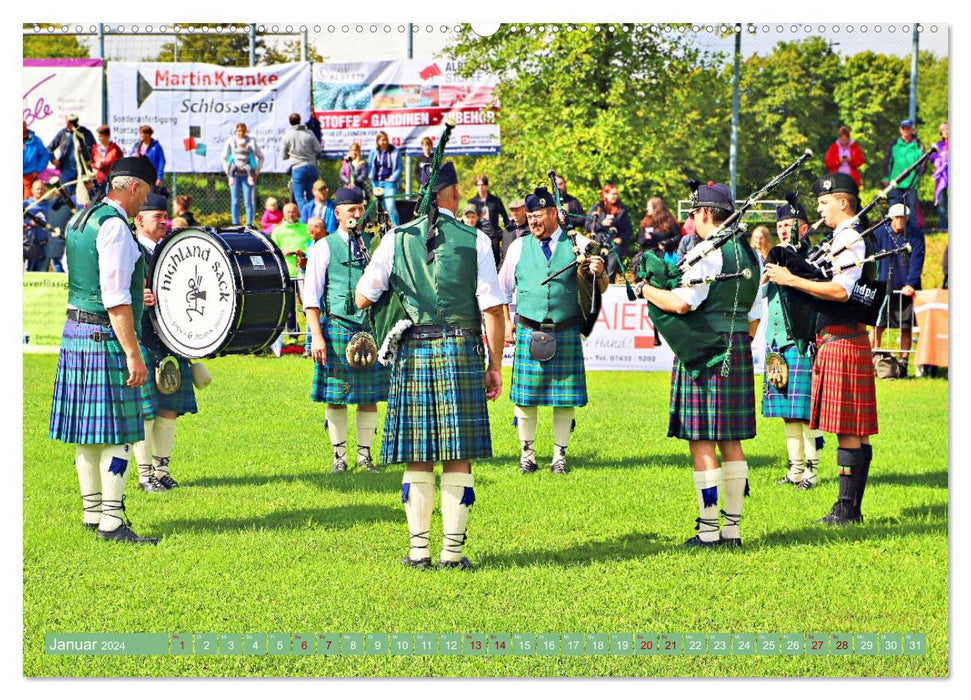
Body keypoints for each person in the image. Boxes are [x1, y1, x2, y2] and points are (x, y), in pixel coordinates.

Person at [355, 161, 505, 570]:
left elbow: (362, 298)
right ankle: (452, 554)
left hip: (414, 352)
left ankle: (419, 552)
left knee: (417, 454)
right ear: (452, 193)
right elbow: (492, 309)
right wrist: (494, 366)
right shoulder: (475, 239)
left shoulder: (394, 239)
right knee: (458, 453)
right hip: (459, 351)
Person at [639, 182, 764, 547]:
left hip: (705, 350)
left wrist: (644, 288)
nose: (691, 220)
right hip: (737, 344)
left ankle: (708, 530)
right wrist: (735, 340)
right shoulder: (749, 252)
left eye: (693, 213)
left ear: (706, 214)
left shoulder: (707, 250)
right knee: (731, 441)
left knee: (702, 441)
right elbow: (755, 315)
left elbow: (681, 303)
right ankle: (733, 530)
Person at [48, 156, 159, 544]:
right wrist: (132, 351)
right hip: (103, 336)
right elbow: (115, 298)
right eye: (145, 192)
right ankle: (111, 521)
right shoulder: (114, 227)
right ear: (133, 188)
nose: (146, 200)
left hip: (76, 332)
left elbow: (75, 274)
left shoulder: (82, 219)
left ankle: (91, 512)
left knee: (87, 433)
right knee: (118, 433)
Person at [764, 173, 878, 525]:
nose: (818, 207)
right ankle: (851, 508)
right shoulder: (843, 237)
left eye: (824, 202)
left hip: (842, 338)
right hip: (845, 337)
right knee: (854, 428)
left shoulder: (849, 236)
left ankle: (845, 510)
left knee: (848, 428)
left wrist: (791, 279)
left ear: (842, 203)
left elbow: (843, 290)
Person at [498, 187, 608, 474]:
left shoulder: (579, 243)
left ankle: (559, 456)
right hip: (527, 329)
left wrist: (599, 271)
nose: (532, 221)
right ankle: (527, 455)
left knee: (564, 398)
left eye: (538, 216)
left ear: (554, 214)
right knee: (525, 398)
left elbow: (601, 287)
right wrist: (507, 322)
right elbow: (502, 289)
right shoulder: (518, 247)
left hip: (566, 329)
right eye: (529, 216)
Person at [303, 187, 390, 473]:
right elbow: (311, 297)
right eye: (350, 209)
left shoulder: (375, 244)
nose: (356, 214)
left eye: (360, 208)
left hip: (370, 328)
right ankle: (339, 459)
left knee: (368, 398)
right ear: (337, 213)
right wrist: (317, 335)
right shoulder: (323, 247)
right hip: (337, 327)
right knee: (336, 396)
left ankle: (365, 458)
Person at [131, 193, 198, 493]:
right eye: (156, 216)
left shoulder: (172, 250)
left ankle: (162, 469)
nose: (163, 221)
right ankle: (145, 476)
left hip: (173, 338)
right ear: (138, 219)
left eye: (164, 215)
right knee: (146, 410)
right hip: (142, 336)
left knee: (169, 407)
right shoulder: (128, 250)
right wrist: (136, 299)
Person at [764, 198, 824, 489]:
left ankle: (811, 474)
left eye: (790, 225)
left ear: (804, 227)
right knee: (787, 411)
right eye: (780, 226)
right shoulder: (774, 257)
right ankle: (794, 471)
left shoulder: (815, 256)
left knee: (804, 412)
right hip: (776, 342)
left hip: (800, 341)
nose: (784, 230)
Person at [871, 202, 925, 377]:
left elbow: (917, 260)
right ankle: (874, 359)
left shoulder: (915, 236)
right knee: (878, 326)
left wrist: (911, 283)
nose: (900, 221)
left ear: (908, 218)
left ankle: (903, 363)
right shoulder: (880, 233)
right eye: (897, 218)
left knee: (906, 326)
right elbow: (871, 256)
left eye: (903, 218)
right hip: (883, 286)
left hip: (905, 288)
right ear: (891, 218)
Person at [272, 202, 311, 338]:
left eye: (293, 211)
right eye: (288, 212)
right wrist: (282, 251)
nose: (291, 214)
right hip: (287, 272)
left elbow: (311, 246)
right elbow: (273, 250)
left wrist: (303, 253)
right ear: (283, 213)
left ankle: (311, 334)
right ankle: (293, 334)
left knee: (308, 304)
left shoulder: (305, 228)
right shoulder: (278, 230)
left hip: (303, 272)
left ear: (297, 213)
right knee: (289, 307)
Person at [882, 119, 924, 232]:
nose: (906, 130)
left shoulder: (918, 145)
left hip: (911, 184)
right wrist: (886, 178)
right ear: (900, 130)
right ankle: (890, 233)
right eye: (904, 128)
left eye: (908, 128)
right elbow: (887, 161)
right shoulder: (894, 144)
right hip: (895, 183)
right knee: (893, 209)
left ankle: (912, 234)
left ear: (912, 129)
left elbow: (923, 164)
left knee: (911, 210)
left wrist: (917, 177)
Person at [586, 183, 632, 281]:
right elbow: (588, 225)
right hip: (597, 242)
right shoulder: (597, 207)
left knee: (610, 271)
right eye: (613, 194)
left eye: (617, 194)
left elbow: (628, 229)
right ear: (605, 194)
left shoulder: (621, 209)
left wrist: (621, 238)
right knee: (595, 269)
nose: (615, 196)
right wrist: (601, 224)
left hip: (613, 244)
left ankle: (608, 288)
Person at [224, 123, 265, 226]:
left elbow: (261, 157)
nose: (241, 133)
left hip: (247, 175)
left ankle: (249, 223)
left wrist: (256, 171)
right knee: (235, 200)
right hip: (235, 175)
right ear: (236, 131)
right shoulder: (231, 141)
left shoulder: (251, 142)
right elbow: (225, 157)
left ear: (246, 131)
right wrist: (229, 172)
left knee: (248, 201)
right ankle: (235, 223)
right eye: (239, 131)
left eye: (243, 131)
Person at [282, 112, 322, 213]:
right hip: (311, 166)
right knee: (311, 195)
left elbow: (284, 155)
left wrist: (291, 154)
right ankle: (314, 216)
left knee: (299, 196)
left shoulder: (287, 135)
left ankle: (305, 218)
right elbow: (318, 148)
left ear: (290, 123)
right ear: (300, 121)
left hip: (297, 167)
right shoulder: (309, 133)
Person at [468, 175, 510, 268]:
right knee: (480, 258)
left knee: (495, 258)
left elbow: (505, 216)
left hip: (493, 233)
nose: (480, 187)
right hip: (478, 233)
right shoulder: (472, 201)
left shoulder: (495, 201)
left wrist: (509, 231)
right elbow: (467, 217)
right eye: (478, 185)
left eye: (482, 185)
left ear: (486, 186)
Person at [48, 114, 95, 196]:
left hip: (83, 170)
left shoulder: (86, 133)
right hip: (67, 170)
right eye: (66, 123)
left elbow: (95, 148)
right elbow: (49, 149)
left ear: (75, 122)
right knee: (67, 194)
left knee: (85, 194)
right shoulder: (63, 133)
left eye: (70, 123)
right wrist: (52, 159)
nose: (68, 125)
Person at [367, 131, 402, 227]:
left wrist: (393, 178)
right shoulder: (374, 151)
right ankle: (384, 226)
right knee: (381, 207)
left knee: (390, 205)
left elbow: (399, 167)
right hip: (377, 183)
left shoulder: (394, 151)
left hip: (389, 184)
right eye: (382, 140)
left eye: (386, 139)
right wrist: (371, 177)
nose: (385, 142)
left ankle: (396, 227)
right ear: (378, 141)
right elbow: (370, 164)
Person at [24, 179, 52, 271]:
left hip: (45, 244)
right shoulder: (25, 204)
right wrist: (29, 223)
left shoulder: (49, 205)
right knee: (28, 272)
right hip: (30, 244)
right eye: (37, 189)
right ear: (32, 190)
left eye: (41, 189)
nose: (40, 191)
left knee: (43, 272)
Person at [129, 125, 165, 190]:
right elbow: (131, 156)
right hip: (139, 176)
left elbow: (162, 161)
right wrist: (133, 155)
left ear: (149, 134)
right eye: (140, 133)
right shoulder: (137, 145)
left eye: (144, 133)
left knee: (151, 197)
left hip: (152, 176)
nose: (142, 135)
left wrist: (159, 177)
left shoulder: (156, 146)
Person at [23, 120, 51, 199]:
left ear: (25, 125)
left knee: (27, 204)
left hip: (29, 176)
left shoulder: (36, 140)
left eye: (23, 124)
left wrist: (38, 169)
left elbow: (45, 156)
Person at [91, 126, 123, 193]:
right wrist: (96, 165)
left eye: (101, 136)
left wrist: (105, 164)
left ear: (107, 136)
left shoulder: (115, 148)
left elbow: (120, 163)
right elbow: (90, 164)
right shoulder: (94, 149)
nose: (99, 138)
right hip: (98, 181)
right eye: (98, 136)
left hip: (112, 181)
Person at [499, 198, 529, 268]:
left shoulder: (532, 229)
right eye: (512, 210)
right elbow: (504, 255)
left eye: (517, 210)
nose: (514, 213)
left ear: (524, 210)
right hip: (510, 271)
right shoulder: (507, 231)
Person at [931, 121, 948, 232]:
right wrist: (939, 157)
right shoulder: (939, 145)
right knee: (941, 202)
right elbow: (932, 157)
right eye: (944, 130)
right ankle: (943, 227)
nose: (946, 131)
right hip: (941, 178)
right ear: (941, 133)